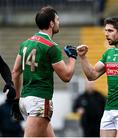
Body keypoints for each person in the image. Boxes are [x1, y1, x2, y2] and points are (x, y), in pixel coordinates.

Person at [12, 6, 77, 137]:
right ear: (51, 23)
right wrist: (73, 58)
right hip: (39, 101)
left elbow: (15, 72)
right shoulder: (51, 46)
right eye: (57, 20)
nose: (59, 22)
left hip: (24, 100)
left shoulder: (25, 43)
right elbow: (66, 76)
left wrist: (17, 98)